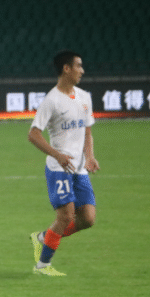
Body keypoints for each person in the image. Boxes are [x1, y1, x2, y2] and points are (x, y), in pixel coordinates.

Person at [28, 51, 100, 276]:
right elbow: (33, 134)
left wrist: (90, 156)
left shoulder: (84, 97)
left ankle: (43, 237)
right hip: (59, 168)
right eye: (78, 66)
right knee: (66, 216)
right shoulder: (52, 100)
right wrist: (57, 155)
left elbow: (87, 132)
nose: (82, 71)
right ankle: (42, 266)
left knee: (87, 219)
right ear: (66, 69)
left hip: (79, 168)